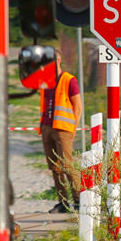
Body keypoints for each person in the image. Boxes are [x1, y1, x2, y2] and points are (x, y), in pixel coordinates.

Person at [39, 49, 83, 213]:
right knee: (54, 167)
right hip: (47, 127)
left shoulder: (69, 80)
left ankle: (78, 200)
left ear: (58, 60)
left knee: (67, 165)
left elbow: (77, 107)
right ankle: (63, 203)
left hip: (63, 129)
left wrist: (73, 128)